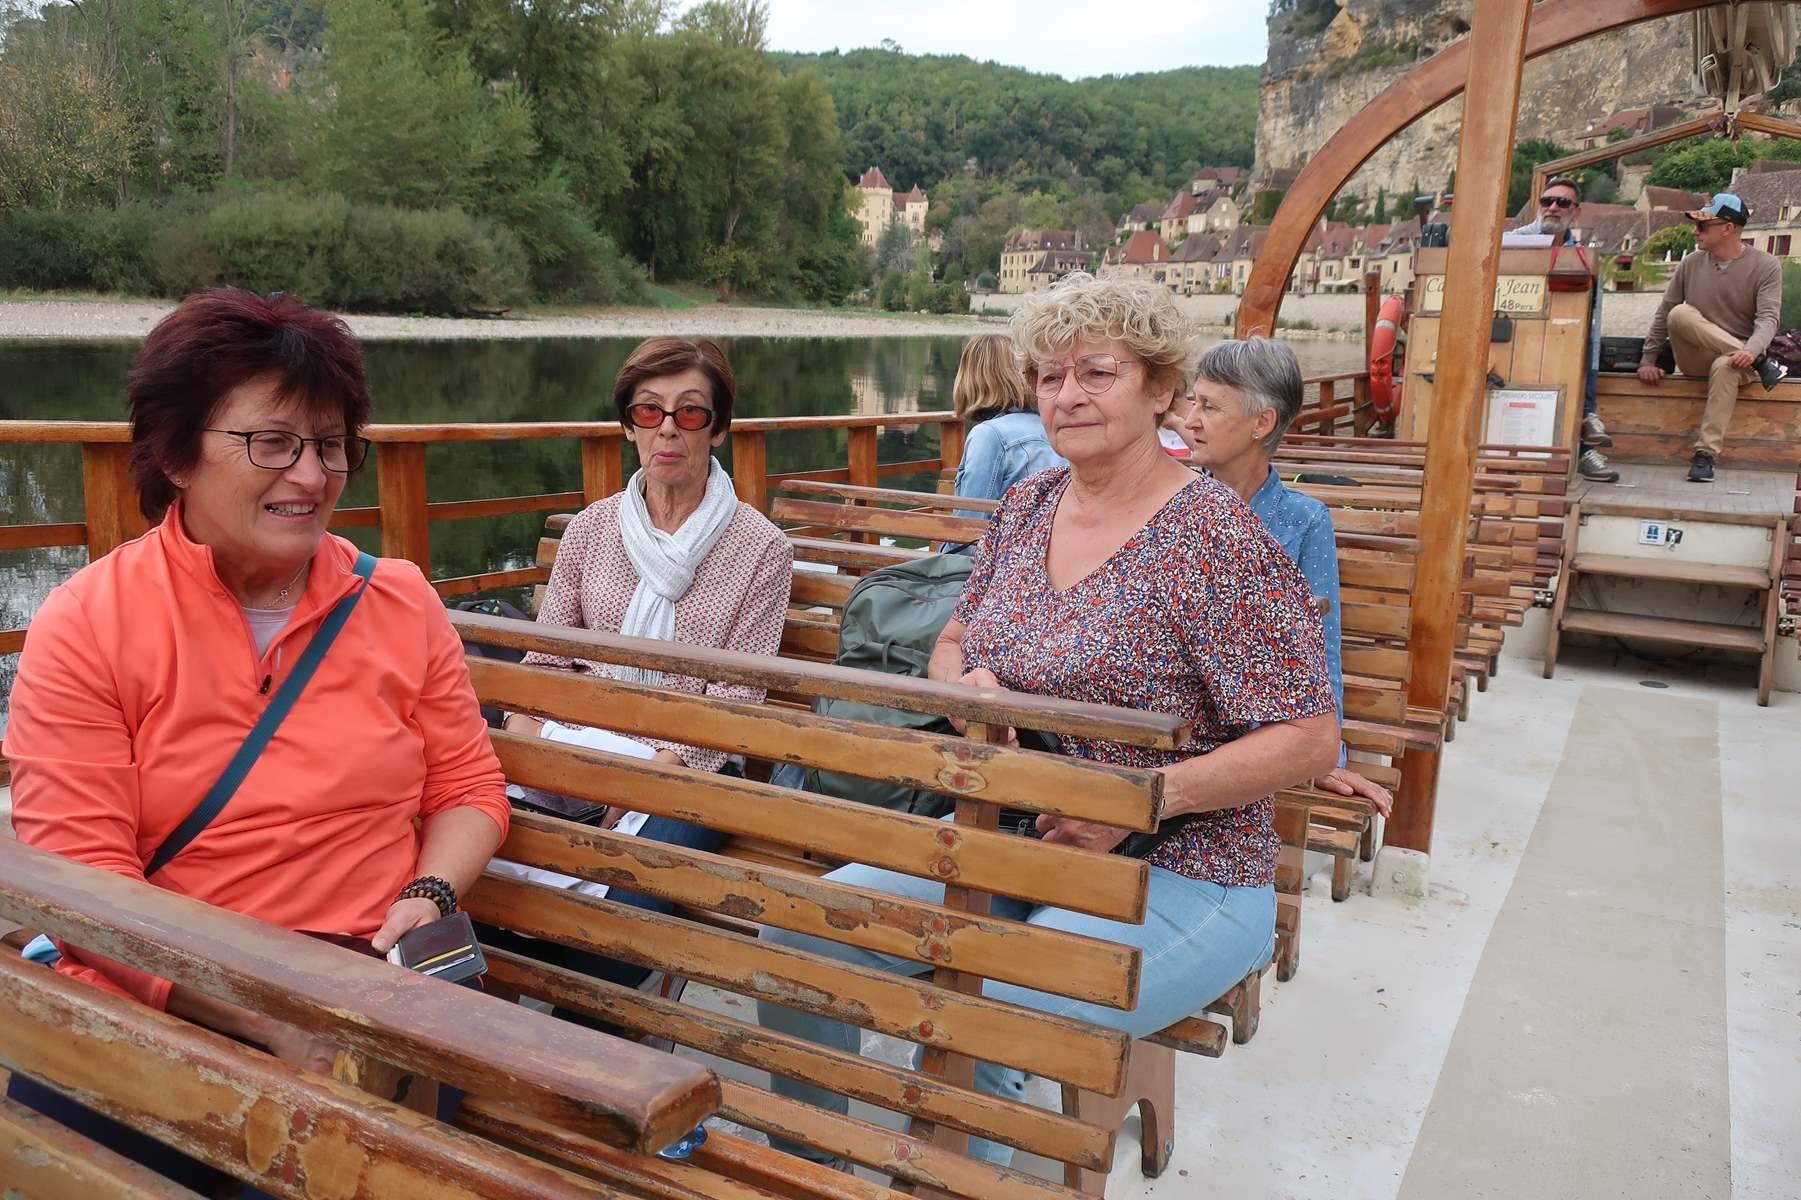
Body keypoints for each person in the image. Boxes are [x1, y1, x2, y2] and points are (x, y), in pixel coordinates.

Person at [755, 274, 1340, 1170]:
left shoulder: (1218, 539)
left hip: (1186, 869)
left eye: (1096, 372)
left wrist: (1140, 800)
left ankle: (958, 1176)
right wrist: (971, 691)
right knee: (798, 934)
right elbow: (952, 643)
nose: (1067, 395)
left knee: (994, 1003)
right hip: (1013, 839)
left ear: (1157, 390)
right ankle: (813, 1171)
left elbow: (1308, 735)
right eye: (1049, 375)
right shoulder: (1028, 509)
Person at [2, 289, 509, 1192]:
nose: (311, 476)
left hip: (371, 991)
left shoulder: (397, 603)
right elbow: (82, 883)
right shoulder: (91, 622)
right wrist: (270, 1019)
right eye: (271, 443)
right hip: (162, 1005)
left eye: (330, 445)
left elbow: (467, 788)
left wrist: (428, 895)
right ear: (175, 452)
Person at [491, 336, 792, 995]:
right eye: (648, 411)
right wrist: (529, 742)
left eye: (690, 413)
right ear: (628, 424)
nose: (667, 431)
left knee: (618, 926)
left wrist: (640, 779)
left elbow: (734, 701)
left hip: (690, 765)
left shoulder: (761, 548)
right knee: (473, 866)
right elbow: (543, 664)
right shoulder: (590, 529)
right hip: (577, 740)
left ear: (716, 429)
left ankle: (589, 1077)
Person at [1176, 336, 1392, 817]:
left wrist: (1325, 755)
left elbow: (1321, 647)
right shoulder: (1168, 505)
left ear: (1262, 422)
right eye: (1193, 401)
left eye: (1209, 406)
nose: (1190, 420)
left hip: (1255, 734)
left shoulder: (1303, 521)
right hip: (1174, 728)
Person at [1635, 192, 1786, 482]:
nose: (1696, 231)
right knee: (1679, 313)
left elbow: (1768, 319)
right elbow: (1663, 314)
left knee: (1726, 365)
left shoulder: (1767, 265)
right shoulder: (1690, 263)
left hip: (1738, 363)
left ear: (1727, 228)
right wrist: (1648, 359)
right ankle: (1764, 364)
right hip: (1700, 357)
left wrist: (1750, 350)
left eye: (1703, 226)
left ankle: (1705, 455)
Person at [1514, 175, 1618, 483]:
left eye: (1563, 203)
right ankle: (1586, 428)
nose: (1553, 208)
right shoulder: (1514, 241)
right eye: (1547, 202)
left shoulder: (1582, 255)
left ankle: (1583, 445)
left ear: (1576, 211)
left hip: (1562, 333)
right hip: (1517, 333)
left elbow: (1589, 316)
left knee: (1586, 351)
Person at [947, 332, 1065, 520]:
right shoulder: (1051, 426)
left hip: (1001, 547)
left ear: (970, 377)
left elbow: (969, 524)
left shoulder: (989, 435)